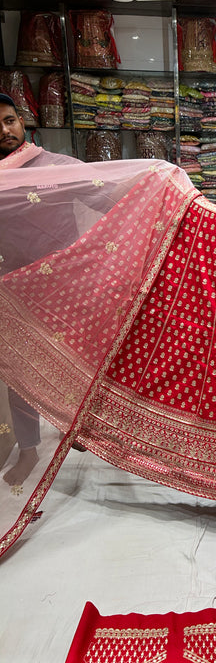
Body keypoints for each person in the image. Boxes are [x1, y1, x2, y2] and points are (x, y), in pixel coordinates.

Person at [0, 93, 85, 486]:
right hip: (14, 288)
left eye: (9, 120)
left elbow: (110, 191)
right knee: (19, 369)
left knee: (78, 362)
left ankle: (81, 429)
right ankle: (30, 450)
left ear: (22, 123)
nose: (4, 131)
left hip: (64, 286)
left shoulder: (57, 167)